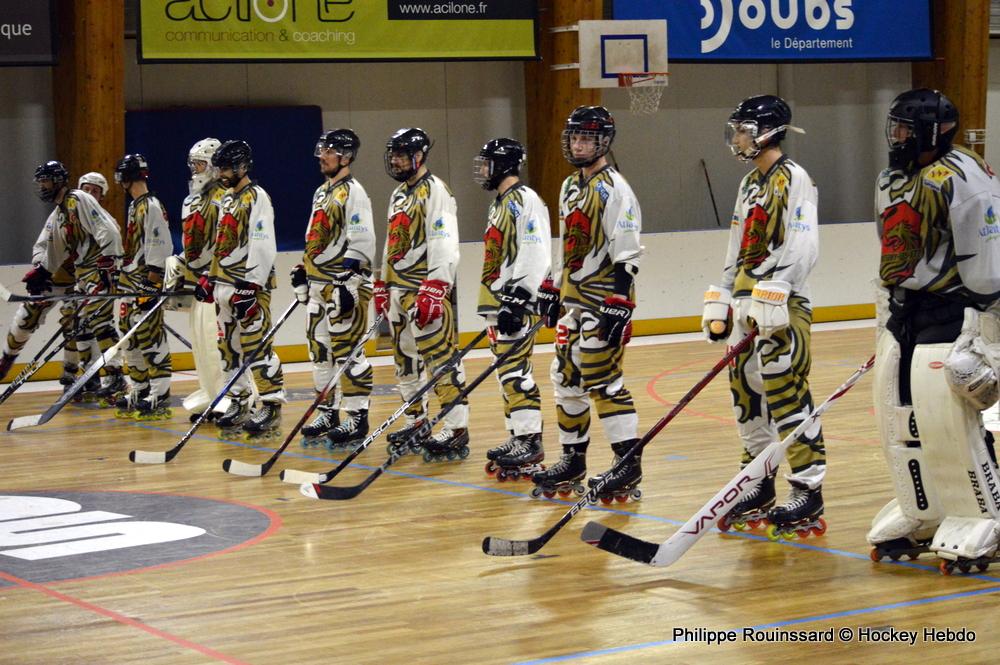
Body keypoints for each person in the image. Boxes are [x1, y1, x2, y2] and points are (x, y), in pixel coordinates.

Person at [866, 88, 1000, 568]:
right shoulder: (891, 178)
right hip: (906, 309)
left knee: (944, 411)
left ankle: (982, 511)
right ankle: (922, 508)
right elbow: (891, 249)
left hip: (953, 308)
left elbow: (986, 263)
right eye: (894, 126)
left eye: (905, 127)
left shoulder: (964, 176)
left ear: (934, 131)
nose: (896, 136)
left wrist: (986, 332)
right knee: (896, 412)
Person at [701, 94, 825, 536]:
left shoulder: (794, 178)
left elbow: (803, 241)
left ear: (767, 132)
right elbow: (736, 247)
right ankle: (757, 481)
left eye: (742, 130)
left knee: (786, 394)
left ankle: (808, 488)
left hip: (781, 305)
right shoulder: (749, 184)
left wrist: (778, 290)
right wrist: (724, 295)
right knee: (746, 396)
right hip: (744, 304)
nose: (735, 138)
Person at [530, 106, 644, 503]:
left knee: (604, 382)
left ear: (603, 143)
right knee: (565, 379)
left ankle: (626, 463)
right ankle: (573, 459)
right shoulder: (568, 186)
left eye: (587, 139)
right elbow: (571, 246)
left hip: (604, 301)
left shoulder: (616, 188)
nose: (578, 144)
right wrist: (551, 283)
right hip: (574, 300)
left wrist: (620, 302)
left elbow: (628, 251)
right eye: (575, 137)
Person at [375, 127, 469, 460]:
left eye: (402, 155)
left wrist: (436, 287)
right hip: (399, 290)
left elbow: (444, 241)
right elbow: (392, 241)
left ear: (419, 156)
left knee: (439, 358)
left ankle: (456, 427)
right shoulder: (399, 194)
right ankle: (416, 420)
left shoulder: (435, 190)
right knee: (404, 361)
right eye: (394, 155)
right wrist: (382, 282)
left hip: (423, 291)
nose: (396, 161)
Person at [0, 162, 122, 394]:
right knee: (36, 317)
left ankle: (111, 375)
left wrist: (110, 264)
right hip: (73, 277)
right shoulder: (61, 211)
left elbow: (109, 231)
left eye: (45, 181)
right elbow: (53, 247)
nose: (42, 186)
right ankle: (8, 360)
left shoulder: (78, 200)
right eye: (41, 182)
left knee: (96, 322)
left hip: (96, 272)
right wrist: (43, 270)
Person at [291, 129, 376, 449]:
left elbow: (362, 238)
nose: (322, 156)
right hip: (318, 285)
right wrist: (304, 266)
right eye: (321, 150)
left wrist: (349, 281)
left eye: (329, 151)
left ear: (346, 157)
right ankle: (327, 410)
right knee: (320, 352)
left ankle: (356, 415)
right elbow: (317, 236)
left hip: (342, 285)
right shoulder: (322, 192)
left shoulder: (353, 191)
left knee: (348, 352)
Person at [196, 139, 285, 438]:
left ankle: (271, 403)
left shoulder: (256, 196)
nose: (221, 173)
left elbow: (262, 242)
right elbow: (222, 242)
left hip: (247, 288)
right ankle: (238, 398)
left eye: (226, 167)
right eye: (219, 168)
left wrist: (252, 284)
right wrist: (210, 275)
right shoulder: (228, 199)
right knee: (228, 348)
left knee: (257, 345)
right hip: (224, 285)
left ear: (242, 166)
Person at [473, 138, 551, 480]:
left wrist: (519, 297)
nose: (483, 169)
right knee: (504, 372)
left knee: (516, 371)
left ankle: (530, 439)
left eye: (488, 163)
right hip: (496, 302)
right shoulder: (499, 204)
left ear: (504, 165)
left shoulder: (525, 200)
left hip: (513, 303)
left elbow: (536, 251)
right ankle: (516, 433)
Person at [164, 138, 228, 421]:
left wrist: (213, 273)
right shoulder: (192, 200)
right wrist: (179, 262)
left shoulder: (224, 198)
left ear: (214, 165)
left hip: (219, 283)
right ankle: (210, 394)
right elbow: (195, 244)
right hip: (199, 283)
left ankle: (233, 398)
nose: (195, 169)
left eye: (200, 163)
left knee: (218, 347)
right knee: (200, 345)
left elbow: (224, 243)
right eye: (193, 164)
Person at [113, 153, 173, 420]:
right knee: (128, 336)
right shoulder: (135, 205)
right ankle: (139, 387)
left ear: (127, 177)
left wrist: (153, 283)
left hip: (144, 284)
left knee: (150, 336)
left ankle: (160, 392)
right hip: (130, 282)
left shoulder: (150, 206)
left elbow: (160, 246)